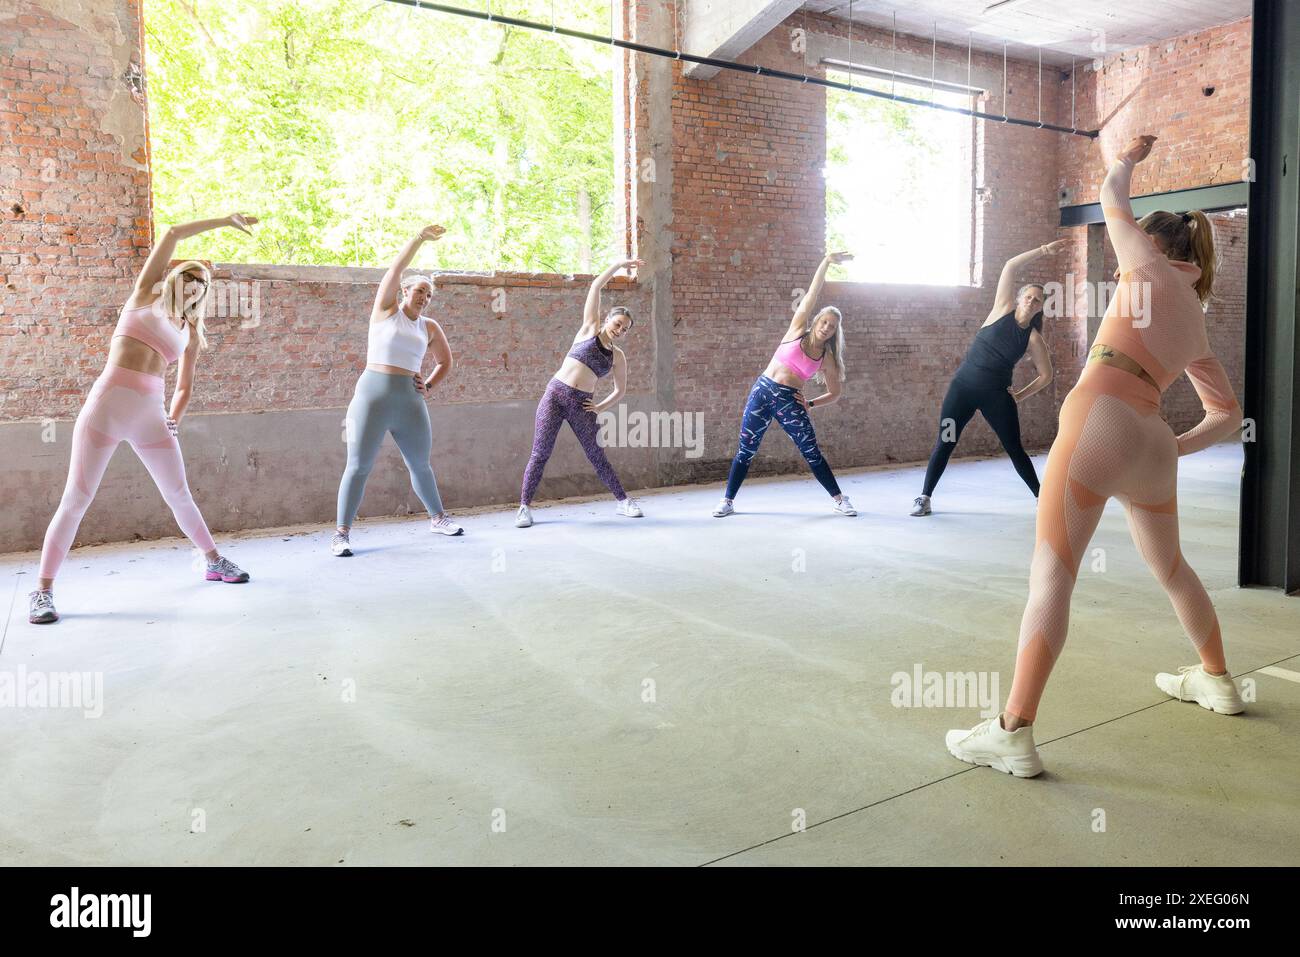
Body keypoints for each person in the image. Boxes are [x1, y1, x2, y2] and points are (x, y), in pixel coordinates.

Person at [946, 135, 1244, 778]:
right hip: (1150, 441)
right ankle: (1218, 681)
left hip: (1099, 420)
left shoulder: (1148, 264)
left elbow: (1111, 199)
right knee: (1172, 569)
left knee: (1052, 576)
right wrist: (1173, 448)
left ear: (1158, 244)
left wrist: (1126, 161)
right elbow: (1228, 416)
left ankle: (1013, 732)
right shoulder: (1194, 317)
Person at [31, 215, 257, 624]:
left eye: (203, 284)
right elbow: (171, 234)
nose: (197, 286)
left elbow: (185, 386)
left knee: (179, 493)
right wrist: (225, 221)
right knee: (77, 499)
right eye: (191, 276)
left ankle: (213, 560)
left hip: (150, 416)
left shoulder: (189, 331)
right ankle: (43, 591)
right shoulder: (142, 297)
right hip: (106, 408)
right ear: (174, 278)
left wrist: (173, 418)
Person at [333, 225, 460, 556]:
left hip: (409, 400)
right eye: (419, 291)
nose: (424, 297)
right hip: (372, 396)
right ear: (404, 291)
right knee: (358, 466)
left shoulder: (429, 327)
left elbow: (446, 362)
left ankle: (438, 518)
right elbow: (395, 269)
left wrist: (428, 384)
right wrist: (419, 238)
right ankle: (342, 534)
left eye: (429, 295)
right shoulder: (386, 311)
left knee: (420, 464)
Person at [910, 241, 1064, 517]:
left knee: (1014, 448)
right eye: (1028, 296)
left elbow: (1046, 376)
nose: (1031, 301)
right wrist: (1042, 251)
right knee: (945, 441)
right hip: (961, 391)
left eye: (1037, 300)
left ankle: (1042, 498)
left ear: (1041, 308)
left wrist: (1018, 395)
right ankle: (924, 497)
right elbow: (1010, 266)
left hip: (996, 398)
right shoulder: (1001, 309)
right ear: (1018, 299)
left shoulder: (1033, 338)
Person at [713, 251, 856, 518]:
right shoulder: (797, 328)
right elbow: (812, 294)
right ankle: (728, 501)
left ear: (835, 332)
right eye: (824, 321)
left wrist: (811, 403)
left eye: (832, 326)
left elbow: (835, 392)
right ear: (816, 321)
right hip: (763, 390)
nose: (826, 327)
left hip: (789, 398)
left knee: (810, 450)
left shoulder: (827, 358)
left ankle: (839, 499)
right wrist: (825, 262)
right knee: (747, 448)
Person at [516, 257, 643, 527]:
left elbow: (621, 390)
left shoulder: (617, 357)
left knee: (596, 454)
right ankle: (524, 507)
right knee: (540, 453)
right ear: (608, 319)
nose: (619, 330)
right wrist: (620, 264)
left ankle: (623, 502)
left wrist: (599, 407)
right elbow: (596, 286)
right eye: (617, 323)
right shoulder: (588, 330)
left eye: (624, 328)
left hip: (581, 403)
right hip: (555, 395)